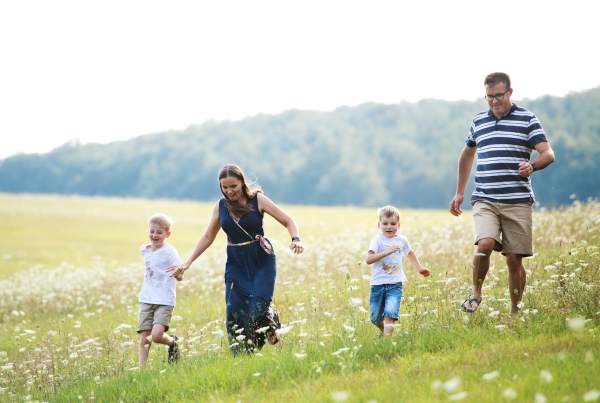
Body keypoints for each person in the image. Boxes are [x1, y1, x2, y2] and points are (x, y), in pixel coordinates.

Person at [167, 164, 304, 354]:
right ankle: (241, 357)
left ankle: (270, 318)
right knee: (234, 313)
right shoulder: (221, 206)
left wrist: (295, 239)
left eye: (233, 186)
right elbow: (208, 236)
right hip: (235, 263)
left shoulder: (257, 200)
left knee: (257, 307)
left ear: (242, 183)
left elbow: (288, 220)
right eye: (224, 187)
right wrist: (187, 263)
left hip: (261, 259)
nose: (229, 191)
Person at [449, 72, 555, 315]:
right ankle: (476, 294)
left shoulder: (527, 119)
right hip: (485, 197)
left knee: (513, 259)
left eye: (498, 95)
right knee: (484, 243)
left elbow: (548, 153)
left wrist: (533, 165)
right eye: (489, 97)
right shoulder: (478, 121)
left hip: (517, 200)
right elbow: (467, 154)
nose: (494, 101)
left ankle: (515, 313)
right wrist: (459, 193)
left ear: (510, 92)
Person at [366, 206, 430, 336]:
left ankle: (388, 343)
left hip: (395, 284)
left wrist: (419, 268)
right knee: (375, 318)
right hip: (377, 285)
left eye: (393, 224)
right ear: (379, 225)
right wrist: (386, 252)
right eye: (385, 224)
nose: (389, 227)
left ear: (398, 225)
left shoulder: (402, 240)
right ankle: (383, 331)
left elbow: (409, 253)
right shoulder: (378, 240)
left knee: (390, 314)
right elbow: (368, 259)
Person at [138, 213, 183, 368]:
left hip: (164, 299)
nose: (154, 235)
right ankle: (141, 373)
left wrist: (178, 275)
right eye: (152, 231)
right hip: (146, 298)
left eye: (159, 232)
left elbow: (180, 275)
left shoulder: (171, 252)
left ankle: (172, 342)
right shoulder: (144, 249)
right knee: (145, 339)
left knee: (156, 336)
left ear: (167, 234)